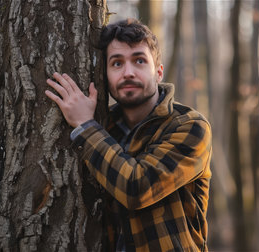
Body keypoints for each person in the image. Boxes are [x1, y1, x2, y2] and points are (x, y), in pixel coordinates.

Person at [45, 18, 212, 252]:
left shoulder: (190, 126)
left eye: (139, 61)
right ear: (105, 75)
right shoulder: (104, 127)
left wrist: (84, 125)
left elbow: (138, 188)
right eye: (117, 64)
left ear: (158, 73)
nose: (128, 72)